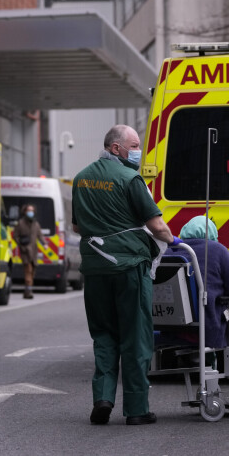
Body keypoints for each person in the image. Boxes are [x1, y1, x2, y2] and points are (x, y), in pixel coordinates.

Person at [72, 124, 177, 426]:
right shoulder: (131, 179)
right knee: (135, 337)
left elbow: (78, 227)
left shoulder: (81, 179)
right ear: (115, 147)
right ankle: (136, 409)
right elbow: (157, 226)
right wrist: (176, 241)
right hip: (129, 267)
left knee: (103, 334)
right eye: (133, 146)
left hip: (94, 270)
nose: (137, 151)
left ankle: (103, 397)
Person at [164, 216, 229, 401]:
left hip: (175, 329)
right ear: (212, 233)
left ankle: (210, 381)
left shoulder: (169, 252)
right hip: (210, 326)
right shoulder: (218, 250)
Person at [13, 204, 46, 299]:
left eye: (32, 210)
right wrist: (21, 246)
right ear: (25, 212)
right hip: (25, 252)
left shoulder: (36, 224)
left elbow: (40, 235)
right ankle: (29, 292)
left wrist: (45, 244)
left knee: (32, 272)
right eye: (28, 210)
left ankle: (27, 291)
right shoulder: (20, 223)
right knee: (28, 270)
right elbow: (15, 236)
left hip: (34, 251)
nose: (30, 212)